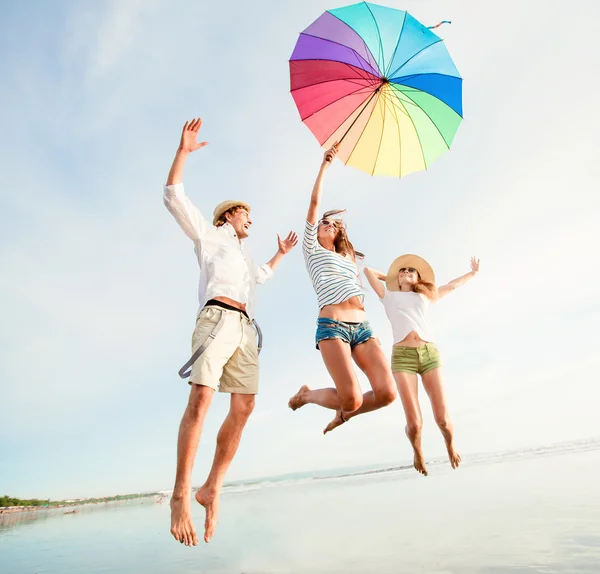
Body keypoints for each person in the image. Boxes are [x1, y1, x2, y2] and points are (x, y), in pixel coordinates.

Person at [163, 118, 298, 546]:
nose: (250, 221)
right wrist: (183, 152)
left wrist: (278, 256)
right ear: (230, 215)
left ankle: (211, 488)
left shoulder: (243, 254)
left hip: (244, 328)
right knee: (201, 398)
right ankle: (180, 493)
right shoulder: (210, 235)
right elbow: (174, 197)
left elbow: (259, 277)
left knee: (245, 407)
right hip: (216, 319)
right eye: (247, 215)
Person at [288, 144, 396, 433]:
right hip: (332, 327)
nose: (327, 225)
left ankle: (345, 415)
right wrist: (325, 166)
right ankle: (306, 395)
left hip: (363, 329)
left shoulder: (346, 256)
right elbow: (313, 203)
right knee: (351, 397)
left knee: (387, 393)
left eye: (333, 225)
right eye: (324, 223)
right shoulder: (311, 249)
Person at [363, 255, 480, 476]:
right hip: (402, 357)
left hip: (429, 355)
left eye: (411, 270)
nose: (406, 271)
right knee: (415, 424)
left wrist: (473, 274)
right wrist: (393, 277)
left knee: (443, 420)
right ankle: (417, 451)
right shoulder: (388, 295)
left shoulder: (426, 296)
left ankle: (450, 445)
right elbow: (368, 270)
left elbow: (452, 286)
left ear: (418, 278)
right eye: (403, 270)